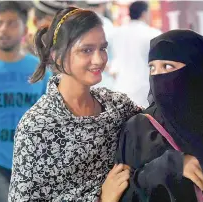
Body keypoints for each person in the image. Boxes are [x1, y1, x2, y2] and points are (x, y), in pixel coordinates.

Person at [8, 7, 141, 201]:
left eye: (102, 48)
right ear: (57, 55)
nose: (99, 59)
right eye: (86, 50)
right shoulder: (36, 127)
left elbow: (156, 131)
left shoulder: (117, 106)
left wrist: (177, 162)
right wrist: (100, 198)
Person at [117, 29, 203, 202]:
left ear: (197, 69)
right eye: (152, 68)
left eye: (167, 66)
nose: (157, 76)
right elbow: (125, 194)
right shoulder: (140, 128)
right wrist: (169, 166)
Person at [0, 2, 50, 202]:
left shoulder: (40, 72)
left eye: (11, 23)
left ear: (25, 29)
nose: (3, 29)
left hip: (31, 165)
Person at [109, 1, 161, 107]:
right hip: (144, 89)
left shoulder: (116, 33)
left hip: (120, 87)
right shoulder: (153, 34)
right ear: (144, 13)